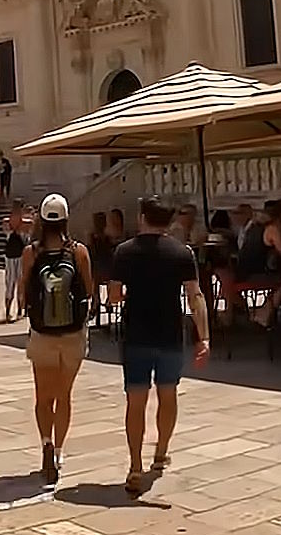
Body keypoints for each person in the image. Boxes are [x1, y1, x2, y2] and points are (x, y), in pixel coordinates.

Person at [109, 199, 210, 495]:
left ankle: (135, 465)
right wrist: (203, 336)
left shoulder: (124, 252)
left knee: (136, 400)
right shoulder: (182, 253)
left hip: (137, 334)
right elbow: (195, 296)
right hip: (169, 333)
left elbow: (114, 296)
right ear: (169, 222)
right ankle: (161, 451)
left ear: (142, 218)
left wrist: (129, 294)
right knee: (168, 394)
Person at [17, 193, 93, 484]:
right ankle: (59, 451)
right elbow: (88, 290)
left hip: (42, 333)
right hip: (72, 333)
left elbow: (24, 292)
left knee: (42, 395)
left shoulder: (31, 253)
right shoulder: (79, 252)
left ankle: (46, 442)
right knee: (64, 395)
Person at [2, 204, 31, 322]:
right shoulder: (9, 226)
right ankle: (8, 311)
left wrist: (20, 223)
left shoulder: (25, 227)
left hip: (20, 256)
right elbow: (5, 223)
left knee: (21, 283)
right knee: (10, 284)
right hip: (10, 257)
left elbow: (30, 224)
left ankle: (20, 309)